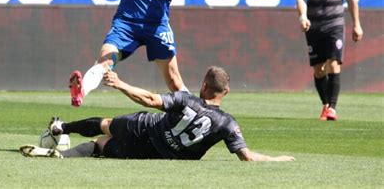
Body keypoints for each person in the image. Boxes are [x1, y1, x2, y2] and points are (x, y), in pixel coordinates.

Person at [20, 66, 295, 162]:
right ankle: (62, 152)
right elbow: (246, 156)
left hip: (146, 128)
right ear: (227, 92)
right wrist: (278, 158)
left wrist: (120, 84)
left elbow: (151, 99)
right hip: (157, 154)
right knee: (100, 147)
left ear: (203, 85)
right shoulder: (227, 123)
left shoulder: (187, 99)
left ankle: (61, 129)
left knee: (104, 126)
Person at [296, 0, 363, 121]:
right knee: (318, 69)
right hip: (314, 25)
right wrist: (302, 16)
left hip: (335, 23)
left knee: (333, 63)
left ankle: (332, 108)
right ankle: (326, 105)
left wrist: (357, 24)